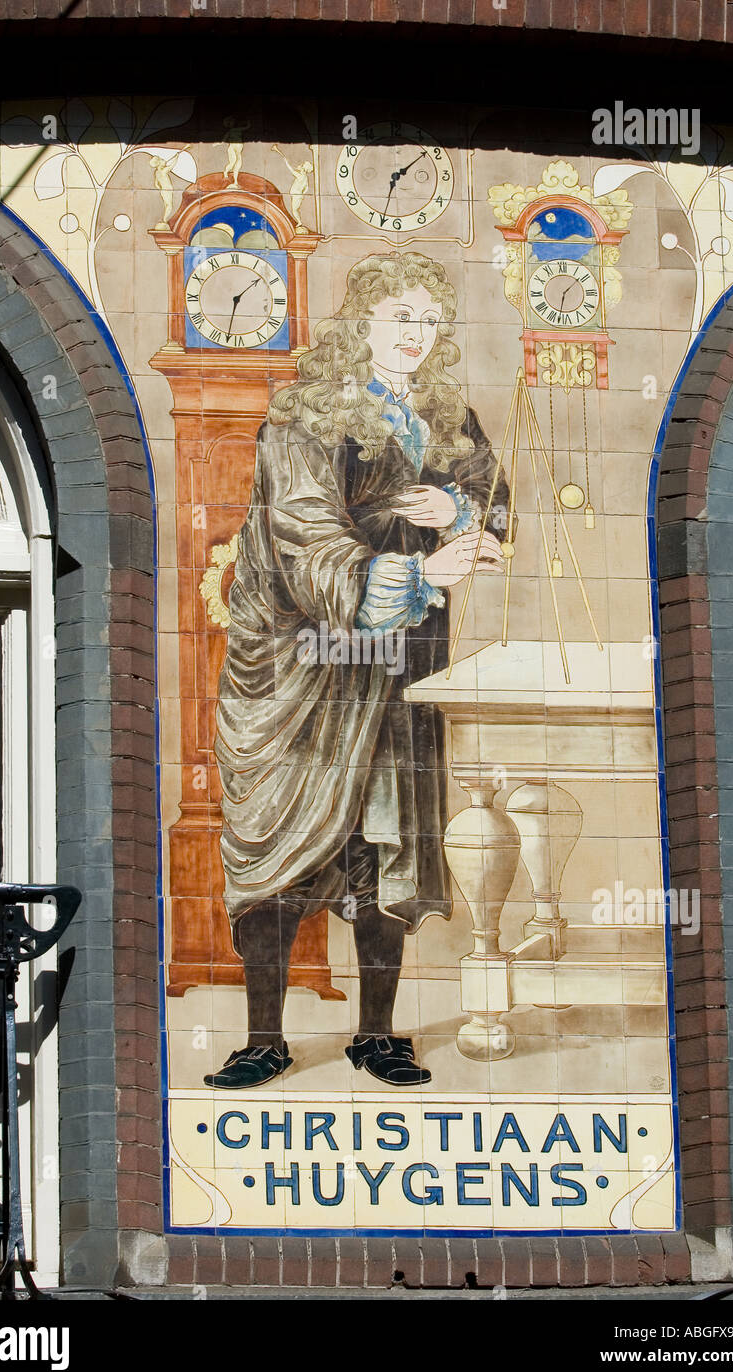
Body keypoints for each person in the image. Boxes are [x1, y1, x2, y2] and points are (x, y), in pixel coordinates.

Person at [205, 250, 507, 1090]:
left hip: (399, 667)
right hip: (305, 666)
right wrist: (419, 574)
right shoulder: (305, 415)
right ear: (361, 322)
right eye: (398, 316)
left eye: (427, 319)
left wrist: (461, 511)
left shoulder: (446, 414)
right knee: (279, 842)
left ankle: (374, 1033)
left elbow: (496, 498)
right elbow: (306, 539)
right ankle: (264, 1036)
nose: (415, 334)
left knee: (386, 842)